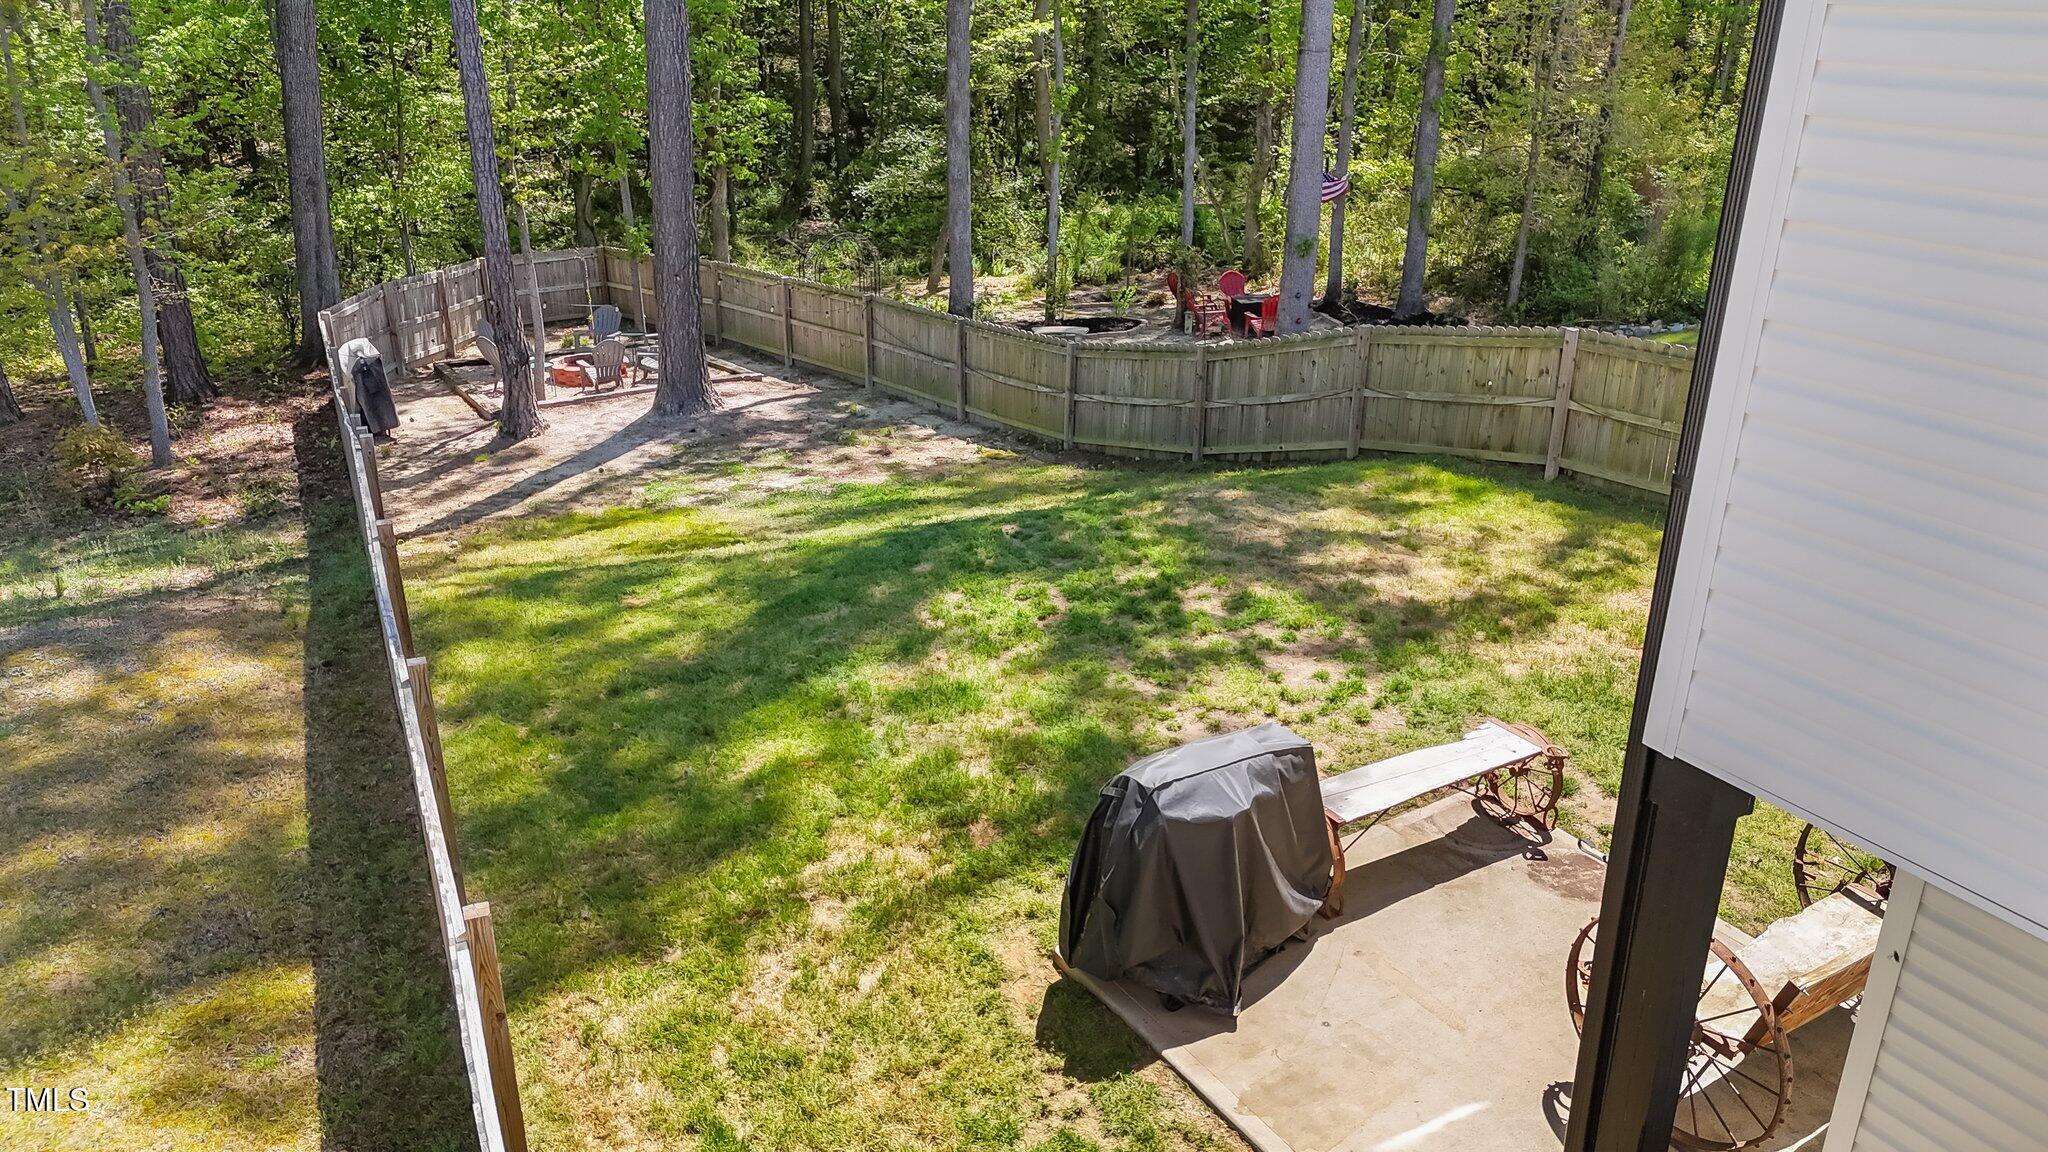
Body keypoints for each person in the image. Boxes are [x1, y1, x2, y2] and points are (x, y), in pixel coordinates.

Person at [336, 337, 401, 440]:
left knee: (376, 399)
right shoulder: (349, 354)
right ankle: (379, 429)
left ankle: (380, 429)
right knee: (372, 400)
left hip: (367, 368)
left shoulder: (355, 354)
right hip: (364, 369)